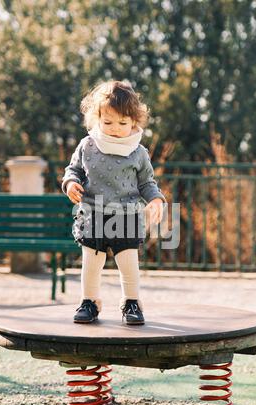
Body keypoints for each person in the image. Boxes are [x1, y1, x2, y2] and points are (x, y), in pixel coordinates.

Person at [61, 79, 166, 325]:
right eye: (107, 122)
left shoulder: (138, 152)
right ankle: (89, 301)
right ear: (96, 120)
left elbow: (146, 183)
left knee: (128, 262)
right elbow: (73, 170)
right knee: (92, 262)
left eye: (123, 123)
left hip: (126, 215)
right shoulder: (87, 145)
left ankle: (131, 302)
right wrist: (70, 184)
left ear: (134, 122)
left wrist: (156, 200)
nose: (115, 128)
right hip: (93, 213)